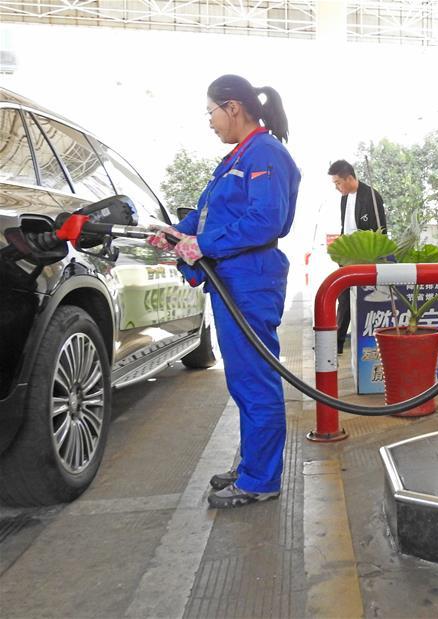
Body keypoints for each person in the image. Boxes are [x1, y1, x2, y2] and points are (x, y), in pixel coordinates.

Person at [148, 75, 300, 508]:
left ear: (232, 107)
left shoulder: (266, 153)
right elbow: (208, 212)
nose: (210, 122)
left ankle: (260, 480)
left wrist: (204, 245)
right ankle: (255, 462)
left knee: (255, 381)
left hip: (250, 278)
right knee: (243, 379)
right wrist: (176, 233)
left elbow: (265, 219)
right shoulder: (237, 157)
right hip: (232, 277)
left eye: (211, 112)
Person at [328, 159, 387, 354]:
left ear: (350, 178)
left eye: (338, 183)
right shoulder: (344, 198)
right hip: (348, 258)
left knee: (366, 301)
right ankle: (337, 343)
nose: (337, 188)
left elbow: (380, 232)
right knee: (342, 297)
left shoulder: (371, 196)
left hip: (366, 259)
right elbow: (346, 227)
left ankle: (370, 342)